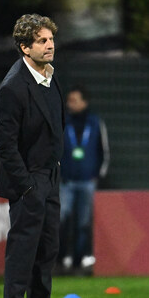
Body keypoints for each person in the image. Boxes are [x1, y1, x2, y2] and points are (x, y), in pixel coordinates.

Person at [0, 14, 75, 298]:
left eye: (51, 39)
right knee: (23, 252)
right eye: (42, 40)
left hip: (50, 176)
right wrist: (27, 186)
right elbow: (5, 145)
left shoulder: (49, 76)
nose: (50, 44)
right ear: (25, 47)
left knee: (47, 251)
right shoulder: (13, 88)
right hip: (29, 181)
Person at [58, 85, 110, 274]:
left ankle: (80, 262)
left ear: (84, 102)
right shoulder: (63, 122)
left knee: (83, 222)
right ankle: (61, 258)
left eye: (74, 100)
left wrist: (97, 176)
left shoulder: (95, 123)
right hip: (66, 181)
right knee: (61, 218)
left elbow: (104, 151)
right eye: (69, 100)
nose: (70, 104)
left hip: (88, 181)